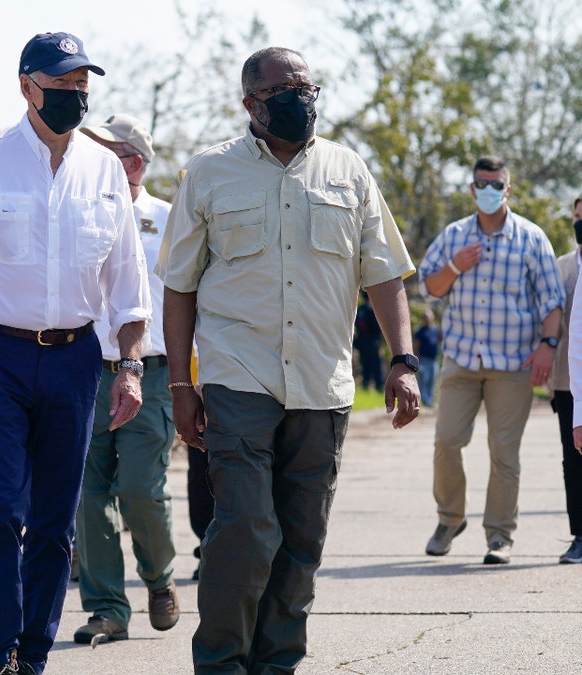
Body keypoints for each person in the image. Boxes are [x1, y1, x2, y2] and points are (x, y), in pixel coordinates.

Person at [157, 47, 421, 674]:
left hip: (321, 384)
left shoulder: (347, 169)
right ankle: (222, 663)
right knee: (246, 530)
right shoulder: (210, 172)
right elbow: (179, 286)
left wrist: (403, 359)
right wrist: (179, 385)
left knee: (301, 543)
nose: (299, 96)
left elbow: (384, 274)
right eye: (283, 88)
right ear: (250, 102)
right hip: (237, 376)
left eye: (307, 85)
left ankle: (277, 665)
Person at [0, 32, 151, 675]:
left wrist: (129, 368)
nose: (76, 96)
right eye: (63, 85)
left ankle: (34, 653)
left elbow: (128, 284)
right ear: (28, 86)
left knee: (54, 520)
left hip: (76, 360)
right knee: (1, 510)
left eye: (83, 86)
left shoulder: (105, 169)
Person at [419, 155, 564, 565]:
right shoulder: (453, 236)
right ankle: (449, 520)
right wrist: (455, 266)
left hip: (513, 363)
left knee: (504, 452)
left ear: (508, 188)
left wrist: (547, 345)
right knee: (446, 442)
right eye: (482, 184)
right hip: (462, 360)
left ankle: (499, 536)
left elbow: (552, 300)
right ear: (471, 188)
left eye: (496, 184)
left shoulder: (532, 238)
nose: (489, 191)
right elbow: (429, 287)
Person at [70, 114, 177, 645]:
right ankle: (107, 608)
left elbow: (190, 302)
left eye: (106, 150)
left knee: (139, 489)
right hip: (86, 370)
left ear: (133, 162)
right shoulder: (77, 211)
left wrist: (195, 381)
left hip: (152, 374)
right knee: (88, 495)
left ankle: (159, 578)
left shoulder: (170, 219)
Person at [556, 196, 582, 563]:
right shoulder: (562, 266)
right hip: (569, 380)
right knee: (574, 459)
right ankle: (580, 534)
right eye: (578, 217)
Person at [353, 292, 385, 391]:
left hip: (365, 342)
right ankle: (375, 385)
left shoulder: (361, 309)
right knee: (373, 365)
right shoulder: (374, 309)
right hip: (372, 342)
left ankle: (370, 385)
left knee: (368, 365)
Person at [414, 308, 442, 407]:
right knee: (423, 380)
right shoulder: (420, 331)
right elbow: (417, 345)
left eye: (428, 317)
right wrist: (417, 360)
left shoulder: (436, 330)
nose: (427, 319)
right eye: (425, 317)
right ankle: (423, 400)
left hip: (434, 360)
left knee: (432, 380)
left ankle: (429, 401)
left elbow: (440, 339)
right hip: (423, 359)